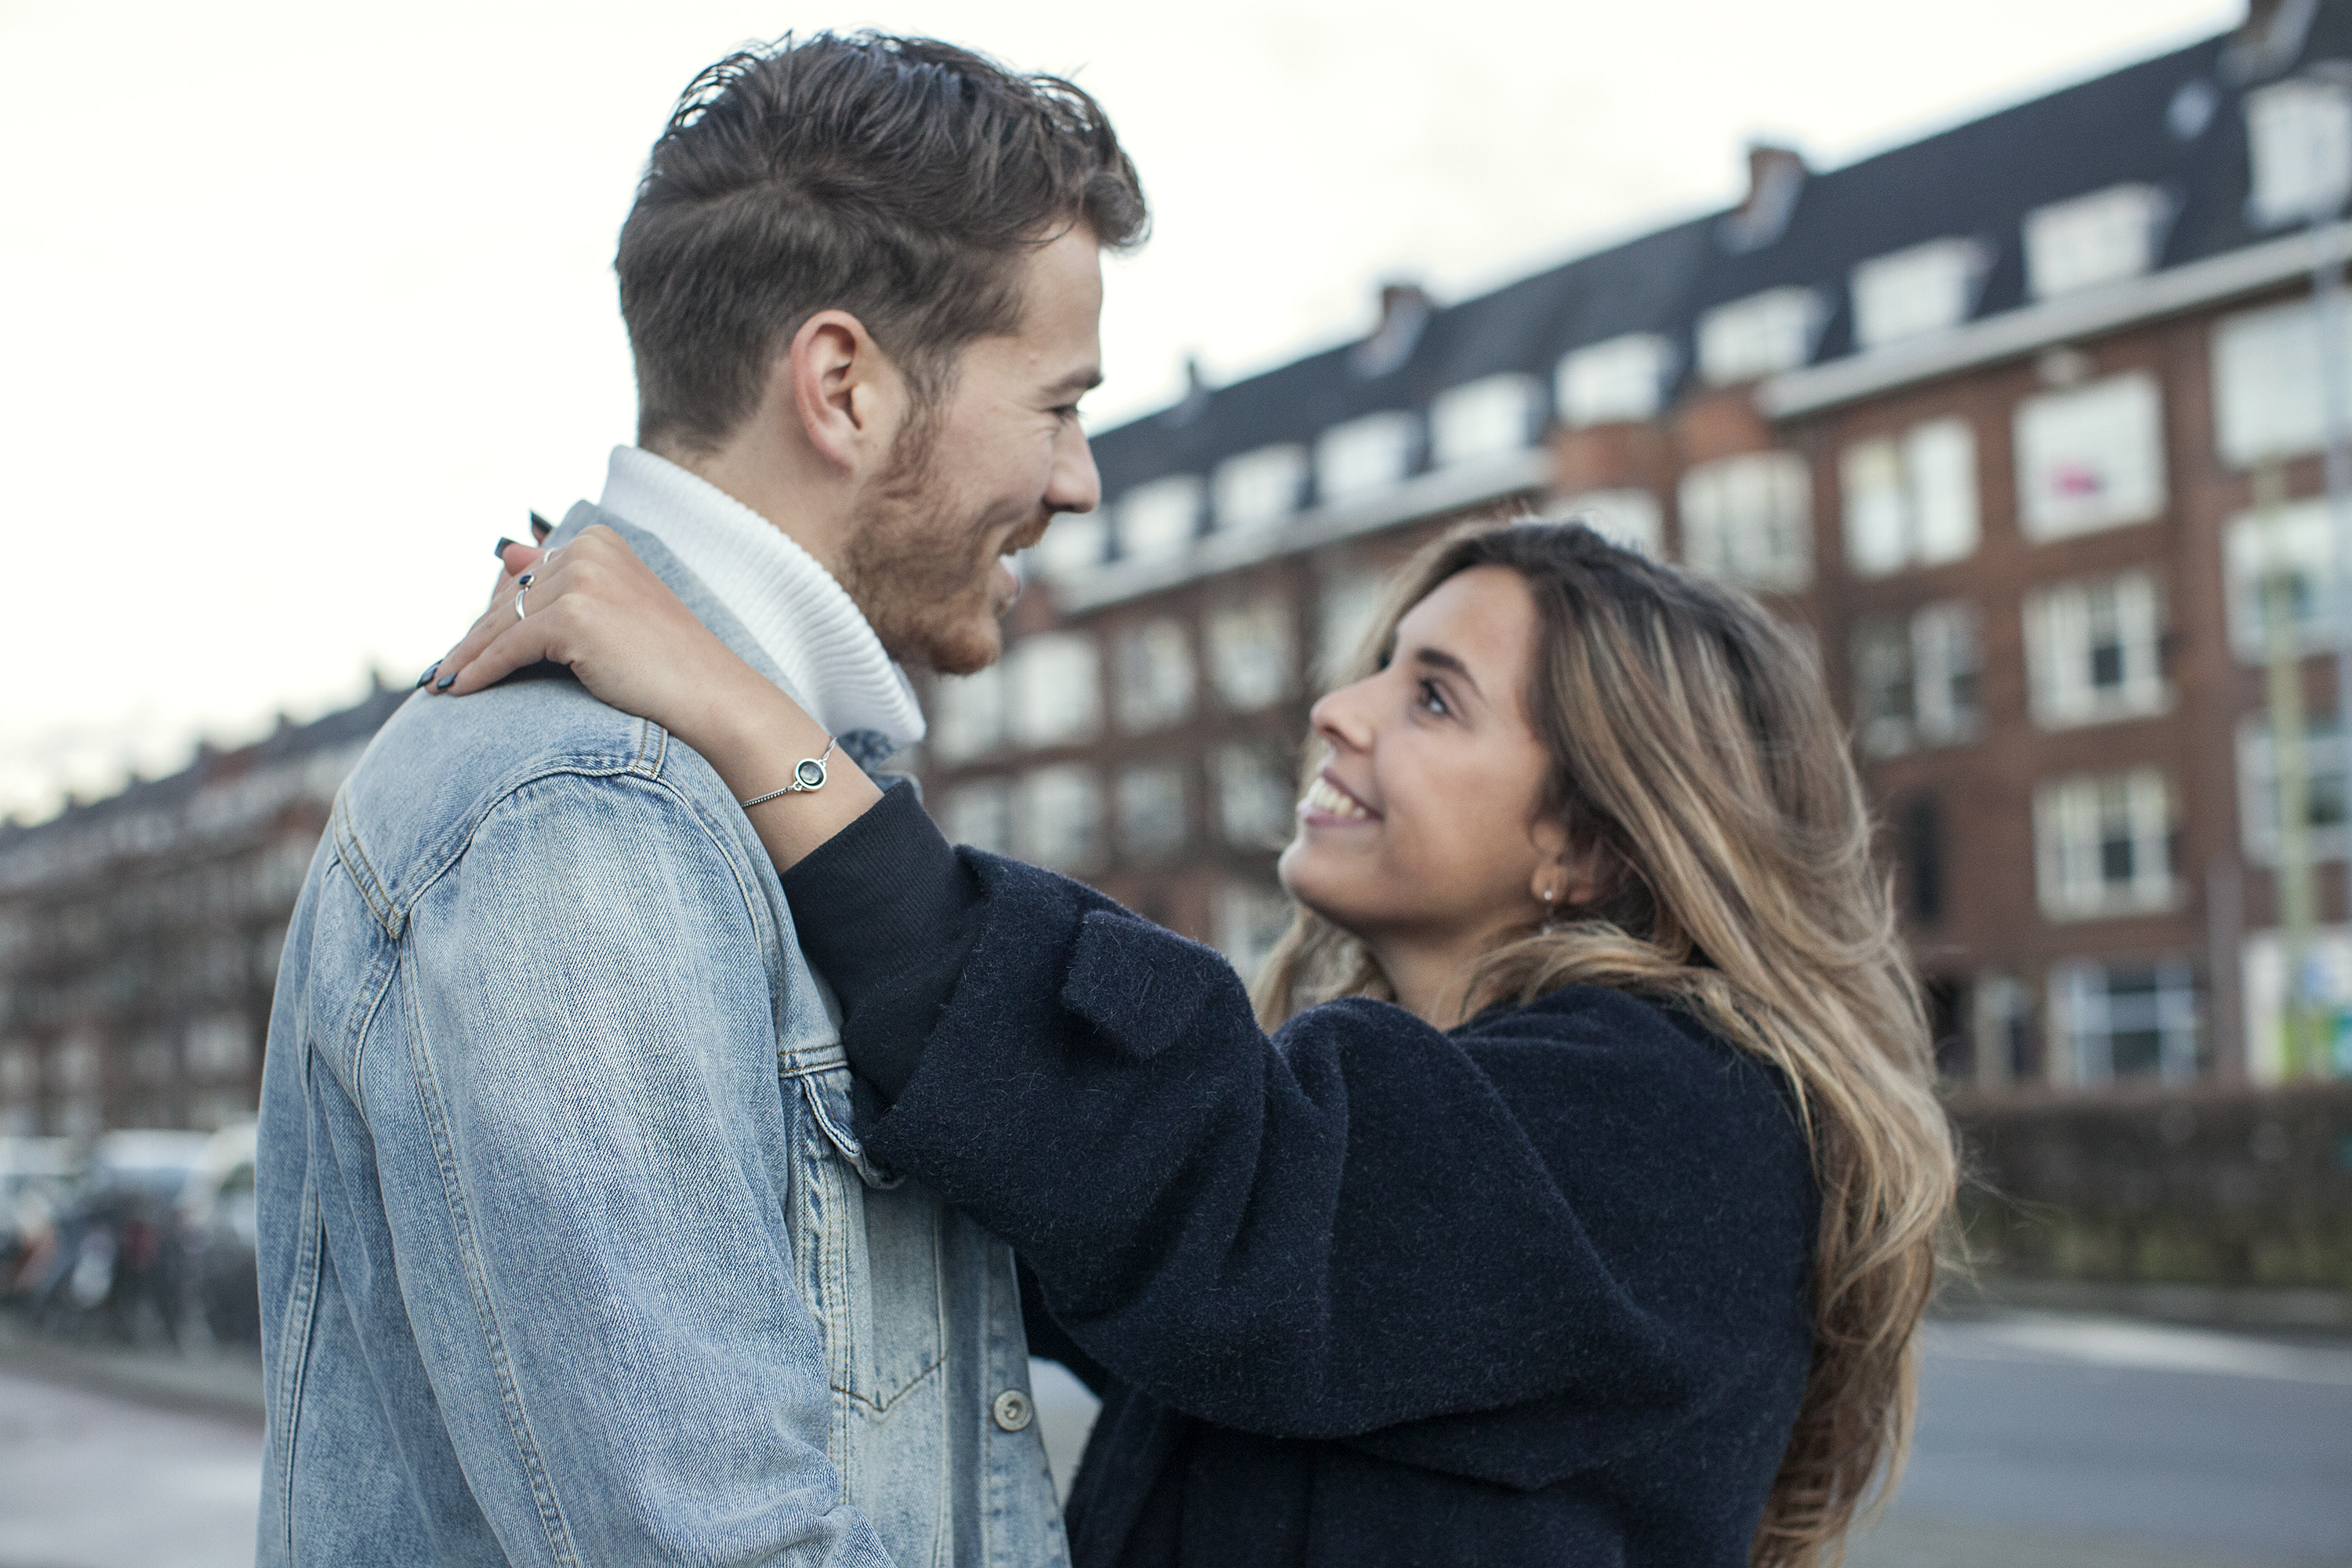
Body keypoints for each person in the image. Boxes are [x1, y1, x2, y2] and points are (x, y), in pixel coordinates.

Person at [425, 517, 1959, 1566]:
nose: (1335, 709)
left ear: (1589, 843)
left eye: (1432, 697)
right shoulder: (1387, 1142)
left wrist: (740, 711)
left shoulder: (1679, 1127)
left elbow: (1180, 1159)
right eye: (1377, 665)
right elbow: (1037, 1186)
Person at [254, 32, 1145, 1567]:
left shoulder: (753, 797)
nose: (1079, 481)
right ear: (845, 387)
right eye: (1060, 404)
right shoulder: (585, 817)